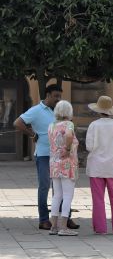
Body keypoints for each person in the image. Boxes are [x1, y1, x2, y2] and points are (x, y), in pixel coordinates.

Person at [14, 84, 78, 231]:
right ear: (47, 95)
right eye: (55, 96)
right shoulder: (36, 110)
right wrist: (32, 134)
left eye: (60, 96)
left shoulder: (59, 111)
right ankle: (44, 219)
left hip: (59, 157)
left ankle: (64, 218)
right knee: (44, 186)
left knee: (61, 189)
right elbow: (17, 122)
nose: (58, 99)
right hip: (43, 154)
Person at [85, 95, 113, 235]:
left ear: (98, 110)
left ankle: (100, 228)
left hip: (96, 166)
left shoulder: (94, 125)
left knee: (98, 199)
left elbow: (89, 146)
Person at [47, 100, 78, 236]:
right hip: (67, 164)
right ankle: (64, 227)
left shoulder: (51, 125)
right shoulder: (69, 124)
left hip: (54, 163)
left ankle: (53, 226)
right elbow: (70, 136)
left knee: (56, 195)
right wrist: (67, 148)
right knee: (67, 195)